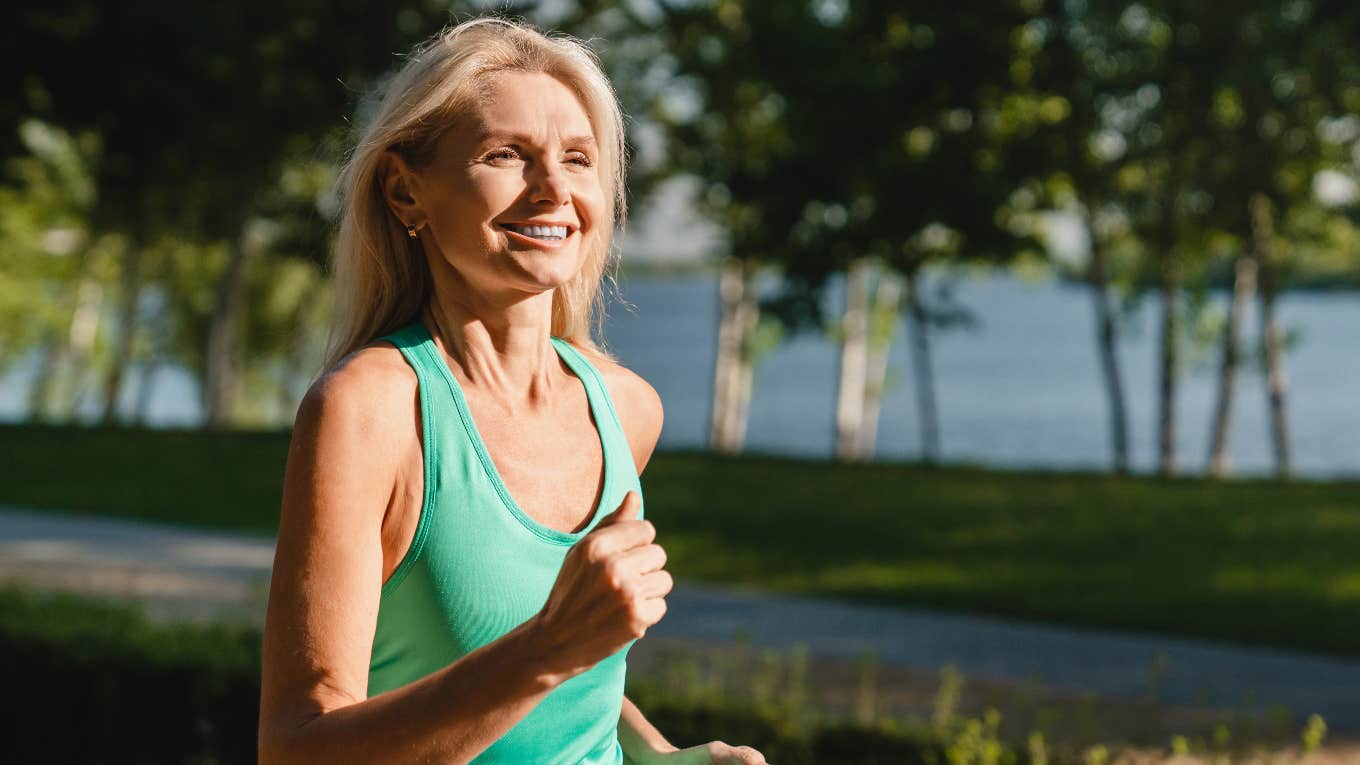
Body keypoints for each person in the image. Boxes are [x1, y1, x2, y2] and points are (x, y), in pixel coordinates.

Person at [257, 15, 770, 765]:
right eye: (506, 155)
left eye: (577, 158)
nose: (555, 189)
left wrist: (663, 755)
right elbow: (296, 750)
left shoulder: (625, 409)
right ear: (405, 193)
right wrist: (551, 645)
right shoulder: (368, 412)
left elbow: (565, 687)